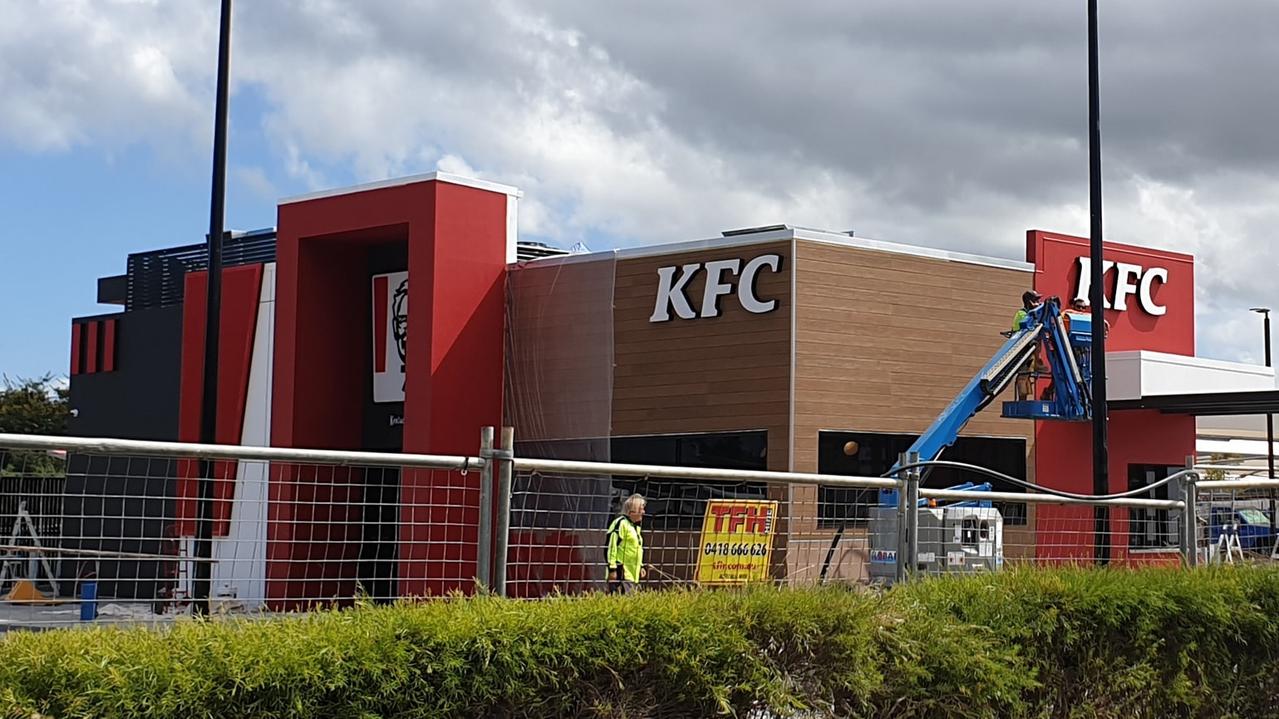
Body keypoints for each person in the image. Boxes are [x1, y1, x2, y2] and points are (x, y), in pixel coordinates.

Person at [606, 494, 646, 594]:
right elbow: (611, 546)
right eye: (641, 509)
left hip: (633, 575)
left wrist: (640, 566)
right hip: (622, 573)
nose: (644, 512)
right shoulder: (620, 523)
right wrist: (612, 569)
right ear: (633, 511)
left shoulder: (635, 527)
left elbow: (636, 549)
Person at [1012, 291, 1049, 401]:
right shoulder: (1022, 314)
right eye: (1036, 300)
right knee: (1024, 374)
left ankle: (1038, 363)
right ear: (1029, 302)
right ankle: (1022, 399)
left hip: (1031, 349)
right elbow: (1025, 328)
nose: (1038, 302)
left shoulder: (1033, 313)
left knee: (1028, 373)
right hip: (1022, 349)